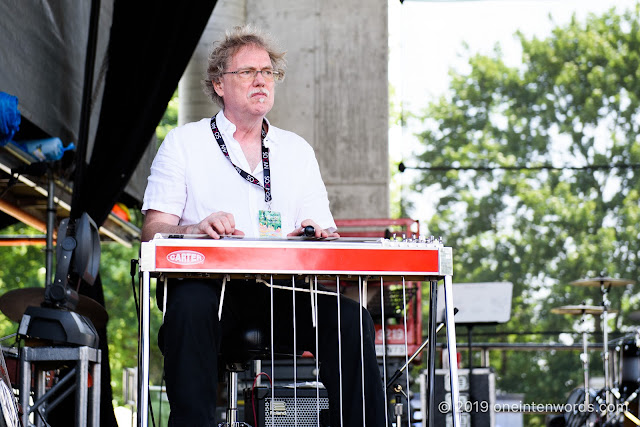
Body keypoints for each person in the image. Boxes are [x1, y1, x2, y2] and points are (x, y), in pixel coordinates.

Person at [141, 24, 385, 426]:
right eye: (248, 72)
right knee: (189, 309)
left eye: (268, 72)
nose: (261, 80)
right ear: (219, 84)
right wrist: (196, 229)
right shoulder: (185, 143)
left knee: (350, 319)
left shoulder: (296, 151)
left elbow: (329, 237)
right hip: (208, 290)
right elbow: (153, 233)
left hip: (282, 290)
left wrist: (315, 235)